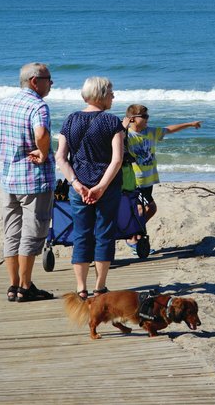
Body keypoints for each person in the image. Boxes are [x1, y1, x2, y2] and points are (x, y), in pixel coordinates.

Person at [0, 62, 57, 303]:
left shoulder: (7, 103)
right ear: (35, 81)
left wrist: (5, 143)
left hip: (9, 178)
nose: (51, 83)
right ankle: (25, 286)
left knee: (12, 232)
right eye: (48, 79)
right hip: (33, 179)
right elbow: (41, 134)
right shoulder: (38, 105)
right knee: (33, 233)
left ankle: (13, 286)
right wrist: (43, 153)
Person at [55, 77, 124, 299]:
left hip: (79, 188)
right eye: (111, 92)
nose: (113, 96)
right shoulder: (112, 122)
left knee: (81, 234)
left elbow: (61, 157)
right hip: (108, 187)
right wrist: (102, 187)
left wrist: (76, 184)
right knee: (105, 234)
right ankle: (100, 287)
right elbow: (117, 160)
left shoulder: (70, 120)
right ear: (101, 95)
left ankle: (80, 287)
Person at [120, 104, 202, 244]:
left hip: (149, 179)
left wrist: (189, 124)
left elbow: (169, 129)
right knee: (148, 208)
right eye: (144, 116)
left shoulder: (150, 132)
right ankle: (132, 236)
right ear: (132, 119)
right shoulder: (125, 134)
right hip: (135, 181)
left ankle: (134, 234)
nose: (147, 119)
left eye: (148, 116)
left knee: (144, 209)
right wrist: (123, 127)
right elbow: (112, 142)